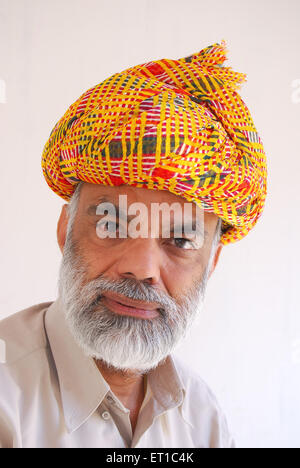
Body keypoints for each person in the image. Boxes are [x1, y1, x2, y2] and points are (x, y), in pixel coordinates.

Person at [0, 40, 267, 448]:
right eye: (111, 224)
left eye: (180, 239)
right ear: (65, 229)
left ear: (212, 261)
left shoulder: (203, 419)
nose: (141, 267)